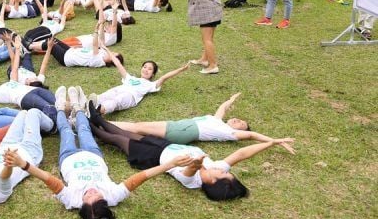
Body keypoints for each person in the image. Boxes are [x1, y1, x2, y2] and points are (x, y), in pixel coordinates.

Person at [2, 86, 194, 219]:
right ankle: (78, 108)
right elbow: (142, 177)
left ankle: (60, 107)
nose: (92, 192)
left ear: (82, 205)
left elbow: (47, 178)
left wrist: (23, 164)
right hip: (94, 155)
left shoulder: (71, 200)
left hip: (68, 157)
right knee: (84, 128)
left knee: (65, 130)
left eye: (88, 197)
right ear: (105, 202)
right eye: (97, 196)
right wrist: (171, 163)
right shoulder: (114, 195)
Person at [87, 102, 295, 201]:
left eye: (223, 174)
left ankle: (92, 126)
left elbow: (189, 169)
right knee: (127, 133)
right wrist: (272, 142)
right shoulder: (215, 167)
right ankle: (98, 119)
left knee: (118, 140)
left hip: (152, 157)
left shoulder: (193, 182)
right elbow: (241, 155)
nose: (224, 168)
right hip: (166, 145)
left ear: (213, 182)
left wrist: (197, 163)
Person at [109, 93, 296, 146]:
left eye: (241, 124)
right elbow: (222, 108)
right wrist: (231, 100)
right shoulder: (218, 122)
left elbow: (253, 135)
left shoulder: (229, 132)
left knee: (138, 128)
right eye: (238, 119)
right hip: (182, 126)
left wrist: (275, 141)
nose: (238, 120)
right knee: (139, 127)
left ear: (240, 130)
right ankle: (102, 126)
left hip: (186, 131)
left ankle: (101, 124)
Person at [170, 0, 223, 74]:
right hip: (213, 12)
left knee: (207, 40)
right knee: (208, 38)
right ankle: (204, 60)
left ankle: (213, 65)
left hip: (209, 13)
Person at [93, 50, 190, 114]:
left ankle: (96, 112)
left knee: (116, 101)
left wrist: (181, 69)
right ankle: (88, 104)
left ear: (152, 74)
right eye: (145, 67)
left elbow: (164, 77)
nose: (146, 70)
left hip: (130, 96)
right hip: (120, 89)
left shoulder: (151, 85)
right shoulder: (130, 78)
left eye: (150, 69)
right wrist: (105, 47)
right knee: (105, 95)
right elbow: (117, 63)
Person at [44, 23, 124, 68]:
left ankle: (32, 46)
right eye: (113, 52)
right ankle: (35, 44)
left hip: (66, 58)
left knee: (51, 45)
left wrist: (96, 30)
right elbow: (92, 49)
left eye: (113, 54)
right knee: (53, 39)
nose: (111, 52)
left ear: (112, 61)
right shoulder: (103, 53)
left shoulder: (99, 61)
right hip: (71, 51)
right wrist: (77, 48)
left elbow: (95, 45)